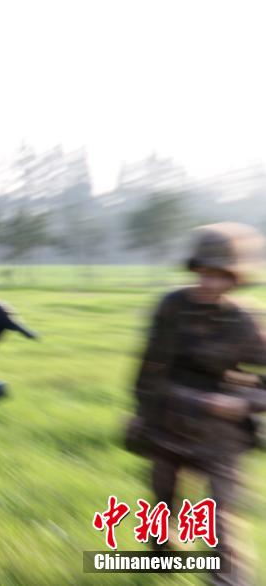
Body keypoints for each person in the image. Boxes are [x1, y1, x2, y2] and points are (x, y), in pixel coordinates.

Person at [129, 222, 266, 585]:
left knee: (220, 518)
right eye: (204, 272)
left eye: (221, 275)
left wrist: (245, 403)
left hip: (221, 436)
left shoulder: (244, 321)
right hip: (167, 422)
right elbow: (148, 370)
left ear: (236, 278)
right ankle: (161, 564)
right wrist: (142, 413)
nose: (210, 282)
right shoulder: (172, 307)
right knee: (162, 504)